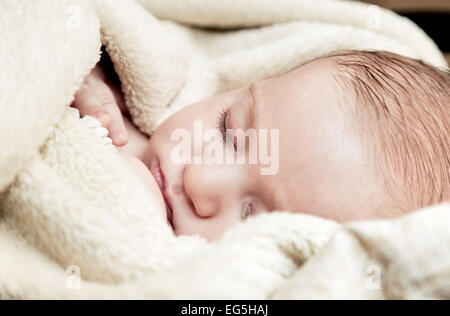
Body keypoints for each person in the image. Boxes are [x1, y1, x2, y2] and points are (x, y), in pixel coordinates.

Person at [71, 50, 450, 241]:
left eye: (251, 216)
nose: (199, 181)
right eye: (229, 132)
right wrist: (83, 70)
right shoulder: (116, 92)